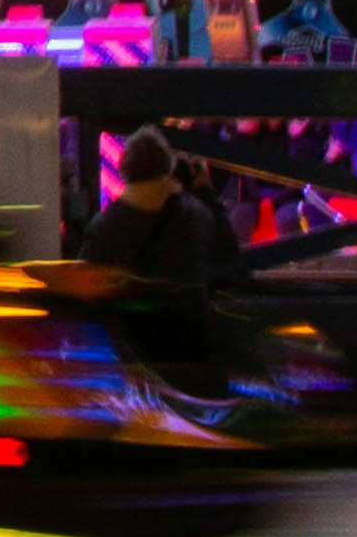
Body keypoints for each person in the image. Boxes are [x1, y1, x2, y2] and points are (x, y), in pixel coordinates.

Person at [66, 128, 244, 384]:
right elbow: (229, 254)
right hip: (192, 348)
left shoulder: (106, 224)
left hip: (135, 354)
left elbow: (83, 284)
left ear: (125, 169)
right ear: (168, 167)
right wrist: (205, 191)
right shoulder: (194, 216)